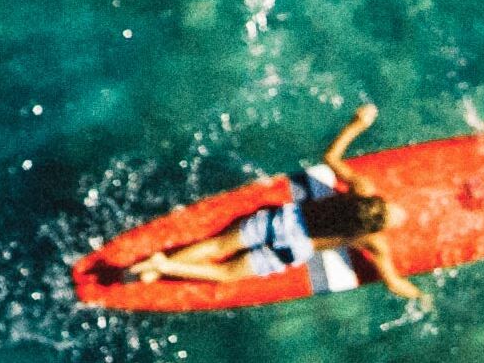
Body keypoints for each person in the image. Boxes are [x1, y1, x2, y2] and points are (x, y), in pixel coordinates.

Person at [112, 106, 410, 296]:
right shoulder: (373, 241)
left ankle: (153, 267)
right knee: (226, 274)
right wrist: (418, 295)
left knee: (219, 245)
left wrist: (358, 123)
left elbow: (331, 157)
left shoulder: (361, 187)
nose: (400, 214)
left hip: (285, 219)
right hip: (296, 246)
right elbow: (394, 282)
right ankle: (163, 266)